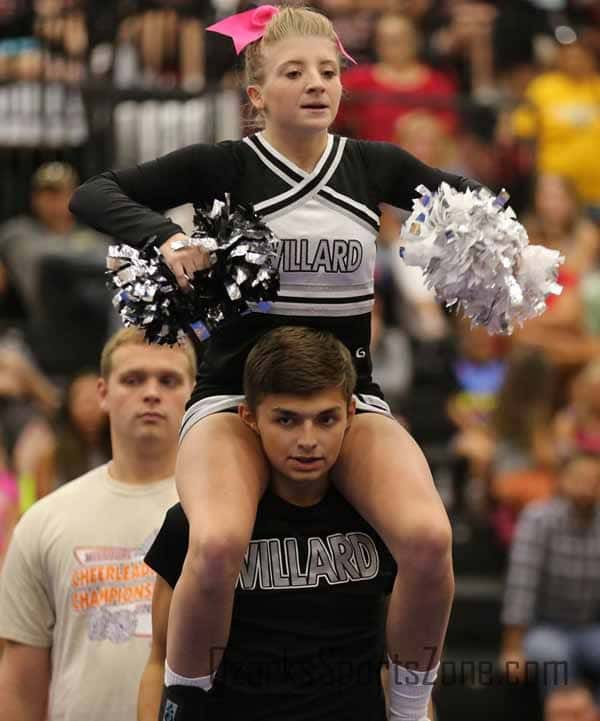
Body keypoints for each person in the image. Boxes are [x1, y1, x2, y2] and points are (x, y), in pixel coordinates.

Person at [69, 6, 482, 719]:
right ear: (257, 93)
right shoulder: (224, 166)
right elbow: (93, 192)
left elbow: (472, 207)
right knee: (221, 538)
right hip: (234, 398)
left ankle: (411, 704)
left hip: (345, 397)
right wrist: (167, 237)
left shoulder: (370, 164)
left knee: (428, 536)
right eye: (294, 72)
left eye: (328, 71)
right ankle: (188, 698)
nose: (316, 84)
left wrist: (493, 242)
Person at [141, 326, 422, 721]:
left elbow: (405, 655)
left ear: (351, 415)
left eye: (325, 419)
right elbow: (159, 662)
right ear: (250, 418)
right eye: (287, 420)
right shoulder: (198, 526)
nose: (308, 440)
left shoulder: (383, 519)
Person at [0, 328, 196, 721]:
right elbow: (21, 688)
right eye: (133, 379)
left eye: (168, 380)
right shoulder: (44, 520)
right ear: (103, 393)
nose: (151, 392)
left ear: (194, 393)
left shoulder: (224, 516)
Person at [500, 452, 600, 700]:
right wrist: (512, 648)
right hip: (545, 626)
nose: (587, 485)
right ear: (562, 480)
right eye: (579, 478)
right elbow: (521, 584)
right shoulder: (538, 519)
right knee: (554, 656)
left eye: (595, 479)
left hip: (591, 627)